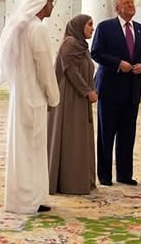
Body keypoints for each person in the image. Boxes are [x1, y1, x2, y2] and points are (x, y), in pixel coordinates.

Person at [0, 0, 60, 213]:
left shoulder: (20, 27)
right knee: (32, 149)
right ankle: (28, 201)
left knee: (22, 149)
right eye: (51, 2)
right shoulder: (37, 28)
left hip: (19, 96)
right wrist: (53, 97)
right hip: (34, 97)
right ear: (43, 4)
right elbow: (45, 68)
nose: (53, 6)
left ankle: (27, 198)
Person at [90, 0, 141, 186]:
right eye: (126, 3)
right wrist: (118, 64)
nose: (131, 5)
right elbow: (96, 53)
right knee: (106, 134)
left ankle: (125, 175)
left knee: (127, 135)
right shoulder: (105, 27)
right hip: (110, 89)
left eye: (132, 2)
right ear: (117, 8)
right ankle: (105, 176)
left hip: (132, 90)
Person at [47, 14, 98, 195]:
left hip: (79, 97)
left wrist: (91, 89)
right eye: (89, 24)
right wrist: (87, 91)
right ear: (79, 26)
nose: (92, 28)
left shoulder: (81, 46)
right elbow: (71, 72)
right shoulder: (69, 45)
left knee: (78, 137)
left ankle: (78, 179)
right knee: (71, 136)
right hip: (69, 98)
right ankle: (68, 182)